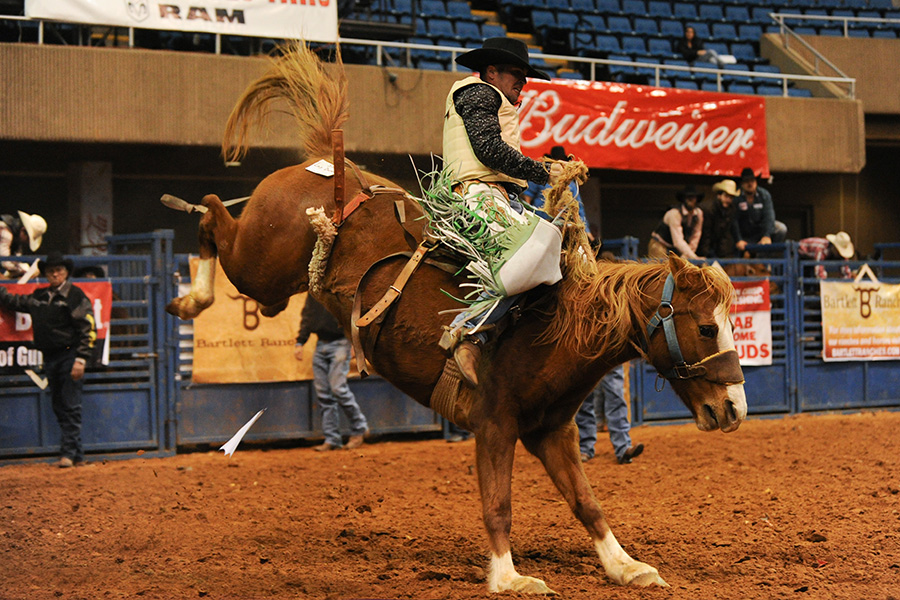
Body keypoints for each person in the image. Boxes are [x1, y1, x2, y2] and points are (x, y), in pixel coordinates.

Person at [441, 36, 565, 388]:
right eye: (516, 73)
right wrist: (545, 171)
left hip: (497, 196)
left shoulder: (487, 96)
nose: (522, 82)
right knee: (533, 255)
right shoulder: (480, 92)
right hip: (479, 196)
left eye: (525, 77)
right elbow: (489, 150)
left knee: (561, 247)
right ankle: (469, 331)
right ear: (491, 71)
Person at [0, 252, 96, 468]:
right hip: (51, 356)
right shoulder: (40, 296)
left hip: (69, 354)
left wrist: (80, 359)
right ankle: (76, 454)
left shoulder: (75, 296)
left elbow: (88, 327)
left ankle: (69, 453)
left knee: (69, 404)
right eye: (51, 271)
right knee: (60, 404)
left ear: (66, 273)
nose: (54, 274)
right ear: (46, 274)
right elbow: (15, 301)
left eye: (59, 270)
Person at [294, 295, 368, 451]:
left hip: (341, 343)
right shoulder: (314, 294)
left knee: (337, 389)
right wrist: (300, 341)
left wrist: (355, 342)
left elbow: (352, 314)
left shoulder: (338, 291)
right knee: (323, 393)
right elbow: (307, 315)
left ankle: (359, 427)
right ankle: (332, 438)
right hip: (321, 344)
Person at [521, 145, 595, 244]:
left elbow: (578, 209)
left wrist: (587, 231)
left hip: (563, 223)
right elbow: (528, 197)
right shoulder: (542, 178)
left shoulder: (571, 184)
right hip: (541, 220)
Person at [575, 364, 644, 464]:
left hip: (609, 350)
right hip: (583, 351)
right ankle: (584, 448)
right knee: (583, 398)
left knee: (615, 394)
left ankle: (623, 448)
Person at [732, 167, 788, 256]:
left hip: (761, 231)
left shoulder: (764, 195)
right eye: (747, 181)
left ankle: (767, 257)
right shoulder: (736, 197)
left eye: (752, 181)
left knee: (781, 228)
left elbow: (769, 216)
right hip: (744, 234)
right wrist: (738, 239)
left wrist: (766, 235)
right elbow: (733, 220)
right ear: (742, 183)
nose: (750, 184)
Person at [648, 185, 705, 260]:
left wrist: (690, 255)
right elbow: (677, 241)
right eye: (688, 197)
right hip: (660, 244)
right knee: (660, 268)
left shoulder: (699, 214)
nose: (690, 200)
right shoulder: (675, 213)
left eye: (693, 197)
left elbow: (696, 235)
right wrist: (693, 257)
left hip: (677, 248)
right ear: (683, 199)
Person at [698, 179, 741, 258]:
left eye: (731, 197)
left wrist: (724, 255)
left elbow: (725, 233)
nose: (728, 200)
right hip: (703, 246)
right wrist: (705, 254)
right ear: (719, 195)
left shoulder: (731, 210)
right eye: (726, 196)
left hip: (718, 248)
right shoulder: (709, 209)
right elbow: (706, 233)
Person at [0, 211, 47, 278]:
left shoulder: (16, 238)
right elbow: (5, 262)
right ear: (23, 230)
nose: (27, 242)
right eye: (28, 239)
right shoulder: (5, 232)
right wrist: (24, 270)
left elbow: (16, 258)